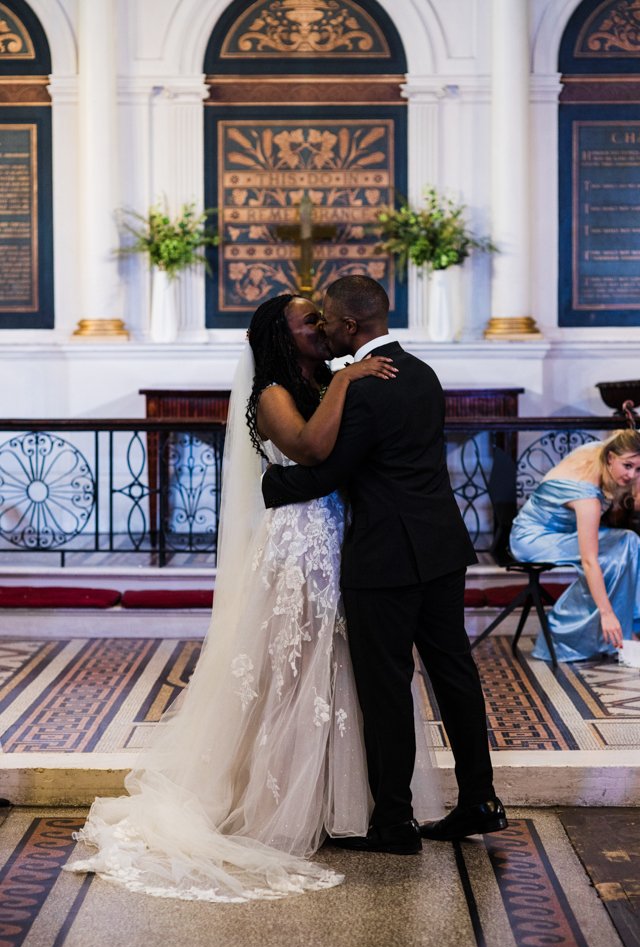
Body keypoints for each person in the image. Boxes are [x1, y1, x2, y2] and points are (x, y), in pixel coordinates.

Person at [63, 293, 438, 903]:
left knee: (347, 667)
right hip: (300, 540)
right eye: (305, 322)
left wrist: (346, 379)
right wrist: (349, 382)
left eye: (321, 318)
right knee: (294, 667)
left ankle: (343, 800)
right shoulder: (272, 394)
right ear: (280, 337)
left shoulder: (329, 378)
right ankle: (279, 803)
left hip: (345, 533)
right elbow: (312, 450)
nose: (318, 327)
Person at [263, 275, 506, 849]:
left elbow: (327, 469)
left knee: (387, 687)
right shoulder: (422, 373)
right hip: (442, 546)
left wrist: (270, 484)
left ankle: (394, 822)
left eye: (325, 318)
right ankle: (480, 800)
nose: (320, 327)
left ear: (350, 326)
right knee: (455, 674)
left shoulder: (365, 389)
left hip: (386, 558)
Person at [509, 429, 640, 662]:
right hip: (533, 539)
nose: (631, 475)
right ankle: (562, 634)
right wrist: (607, 613)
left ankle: (627, 627)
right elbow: (589, 561)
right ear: (611, 458)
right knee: (611, 556)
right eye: (627, 466)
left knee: (629, 540)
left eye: (638, 469)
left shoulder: (597, 450)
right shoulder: (587, 495)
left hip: (554, 531)